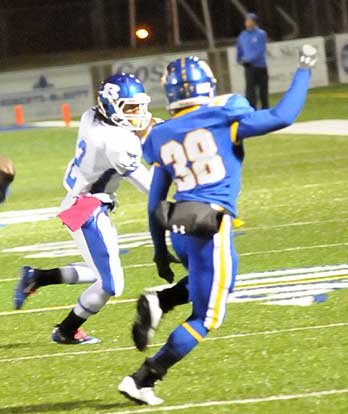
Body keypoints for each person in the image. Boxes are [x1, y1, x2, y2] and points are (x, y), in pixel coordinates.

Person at [118, 45, 318, 405]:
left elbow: (155, 201)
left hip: (180, 224)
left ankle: (162, 300)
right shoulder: (224, 116)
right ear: (206, 85)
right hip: (212, 224)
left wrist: (160, 250)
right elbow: (284, 116)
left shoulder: (161, 134)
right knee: (207, 316)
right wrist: (304, 68)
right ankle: (144, 377)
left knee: (220, 282)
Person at [13, 73, 155, 345]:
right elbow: (148, 186)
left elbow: (122, 133)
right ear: (112, 106)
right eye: (131, 107)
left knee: (100, 272)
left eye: (138, 106)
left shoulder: (91, 116)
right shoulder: (117, 142)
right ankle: (66, 331)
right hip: (87, 208)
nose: (138, 113)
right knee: (111, 285)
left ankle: (37, 277)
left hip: (80, 200)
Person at [237, 12, 269, 109]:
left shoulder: (260, 34)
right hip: (249, 67)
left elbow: (260, 50)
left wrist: (249, 59)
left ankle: (265, 110)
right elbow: (239, 49)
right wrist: (239, 59)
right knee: (250, 91)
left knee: (263, 90)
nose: (248, 22)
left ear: (254, 22)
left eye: (250, 20)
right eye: (247, 20)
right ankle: (252, 110)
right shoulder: (242, 35)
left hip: (260, 66)